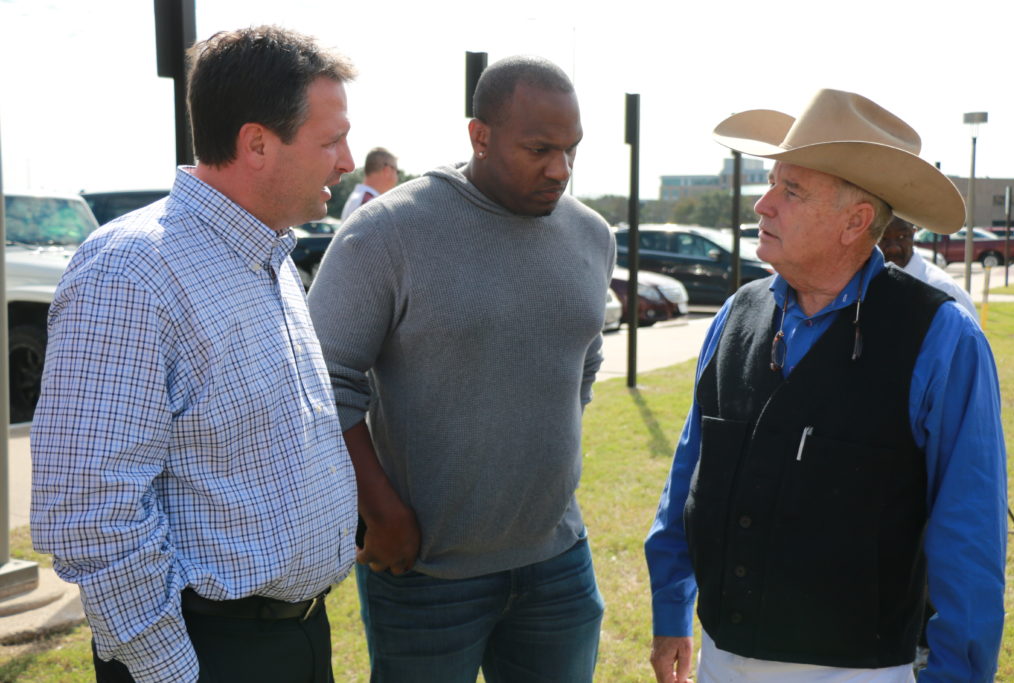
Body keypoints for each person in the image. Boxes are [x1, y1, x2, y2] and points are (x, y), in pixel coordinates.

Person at [31, 26, 359, 683]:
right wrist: (169, 670)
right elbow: (91, 514)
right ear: (257, 143)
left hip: (293, 638)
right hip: (208, 652)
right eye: (330, 140)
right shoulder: (131, 271)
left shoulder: (270, 256)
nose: (347, 160)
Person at [645, 89, 1006, 683]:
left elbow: (969, 539)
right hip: (719, 659)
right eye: (771, 183)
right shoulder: (736, 315)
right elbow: (689, 478)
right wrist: (669, 610)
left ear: (855, 221)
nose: (762, 205)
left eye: (791, 191)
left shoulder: (943, 338)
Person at [307, 55, 615, 682]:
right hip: (425, 574)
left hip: (558, 564)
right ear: (479, 136)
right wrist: (382, 511)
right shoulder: (389, 231)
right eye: (538, 149)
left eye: (571, 150)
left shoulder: (592, 235)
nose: (560, 169)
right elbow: (319, 382)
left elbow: (583, 364)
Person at [879, 215, 979, 321]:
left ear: (914, 233)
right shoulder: (866, 281)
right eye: (883, 238)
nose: (894, 248)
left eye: (902, 237)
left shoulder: (944, 289)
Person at [340, 147, 399, 220]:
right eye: (397, 172)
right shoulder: (370, 203)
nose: (397, 177)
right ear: (387, 170)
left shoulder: (362, 198)